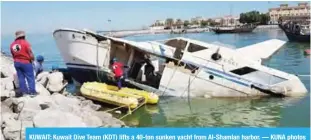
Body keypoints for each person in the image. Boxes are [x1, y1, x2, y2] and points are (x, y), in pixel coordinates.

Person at [10, 30, 36, 97]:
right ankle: (32, 92)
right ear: (23, 36)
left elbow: (13, 55)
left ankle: (24, 92)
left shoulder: (12, 44)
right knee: (30, 77)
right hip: (26, 62)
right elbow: (30, 53)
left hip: (17, 63)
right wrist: (33, 59)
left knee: (21, 78)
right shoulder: (25, 43)